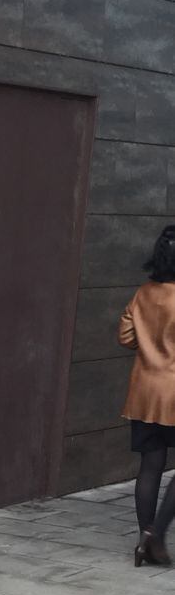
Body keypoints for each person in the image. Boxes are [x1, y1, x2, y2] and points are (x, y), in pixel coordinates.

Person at [119, 224, 175, 567]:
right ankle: (156, 534)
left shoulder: (143, 294)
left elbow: (126, 337)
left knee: (150, 466)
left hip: (143, 394)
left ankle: (144, 539)